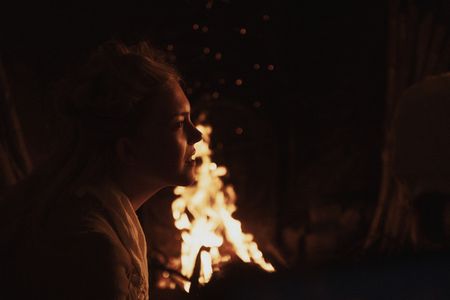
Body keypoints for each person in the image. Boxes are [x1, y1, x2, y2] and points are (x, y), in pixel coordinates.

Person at [0, 40, 202, 299]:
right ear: (127, 150)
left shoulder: (102, 219)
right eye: (178, 124)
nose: (196, 134)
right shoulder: (95, 250)